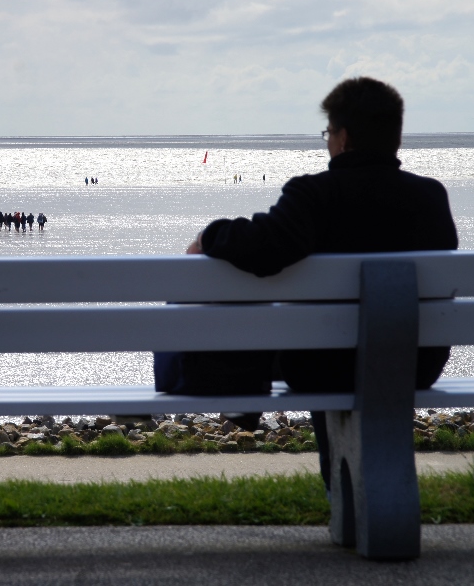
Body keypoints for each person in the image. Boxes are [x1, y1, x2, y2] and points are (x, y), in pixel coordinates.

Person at [167, 77, 458, 494]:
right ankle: (363, 494)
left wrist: (208, 237)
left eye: (328, 133)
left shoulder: (315, 195)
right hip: (414, 365)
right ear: (394, 137)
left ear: (343, 139)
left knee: (292, 330)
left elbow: (265, 248)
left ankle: (336, 486)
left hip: (322, 368)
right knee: (329, 337)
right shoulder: (430, 197)